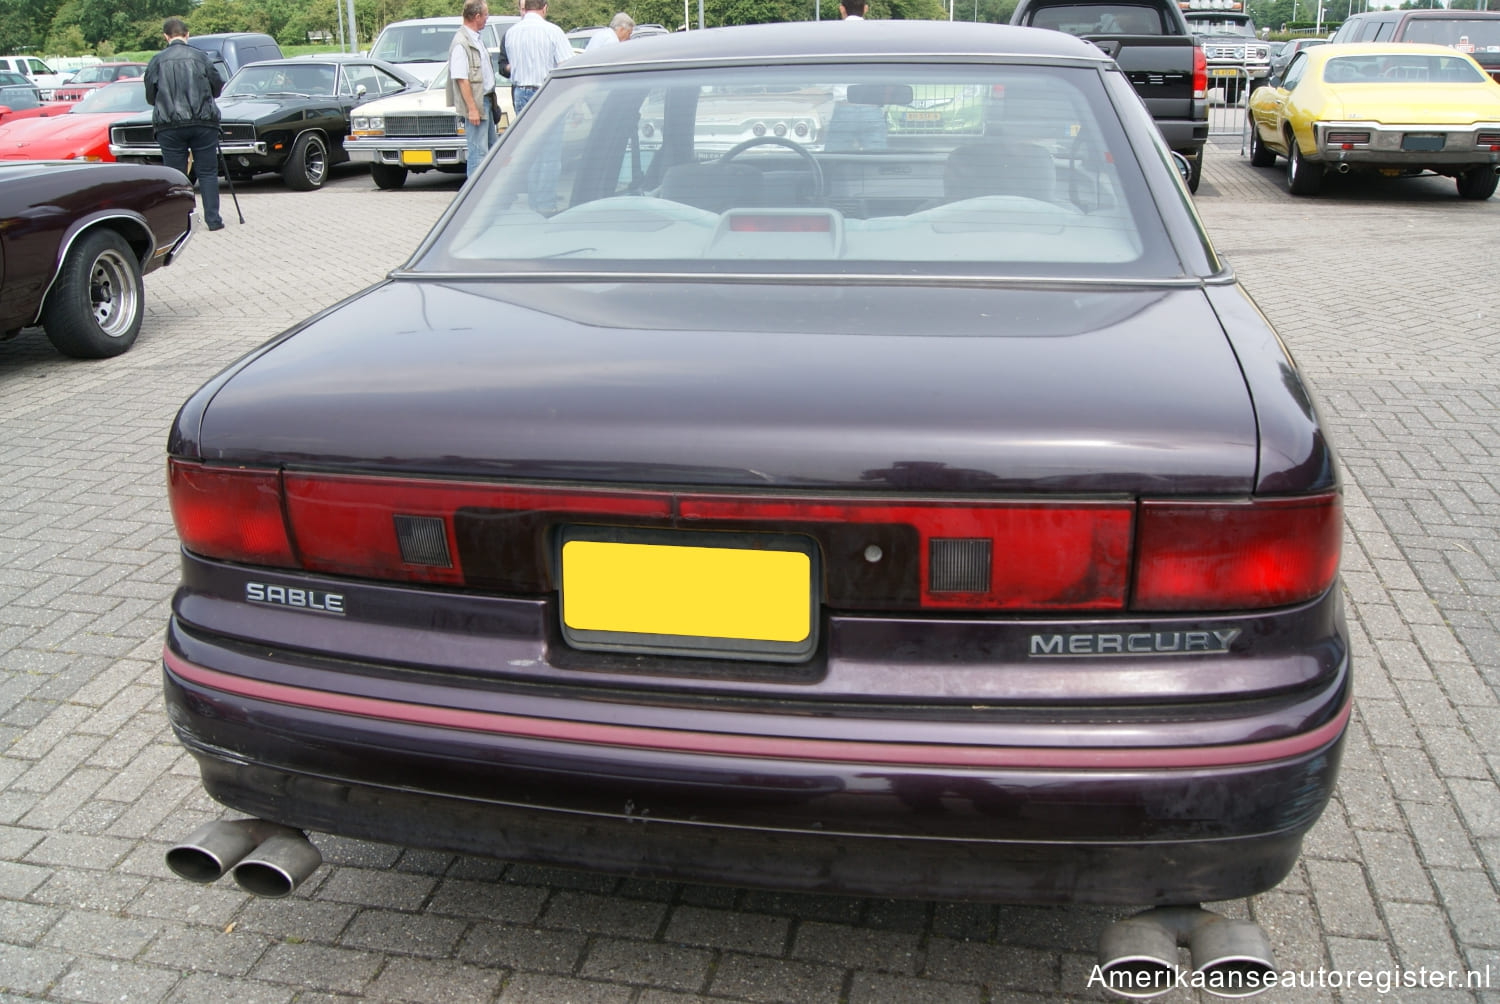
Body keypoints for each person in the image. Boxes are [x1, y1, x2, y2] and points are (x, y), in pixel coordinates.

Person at [144, 17, 225, 231]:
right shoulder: (201, 57)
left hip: (169, 124)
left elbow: (151, 97)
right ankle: (213, 220)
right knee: (207, 171)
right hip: (203, 121)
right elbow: (217, 87)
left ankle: (180, 222)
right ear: (187, 35)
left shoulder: (156, 61)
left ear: (165, 37)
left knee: (176, 175)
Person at [447, 0, 497, 177]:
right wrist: (472, 109)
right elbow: (462, 79)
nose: (486, 18)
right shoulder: (462, 43)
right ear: (477, 16)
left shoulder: (475, 39)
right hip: (477, 104)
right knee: (478, 153)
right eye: (485, 15)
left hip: (487, 100)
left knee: (492, 149)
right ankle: (474, 195)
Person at [503, 0, 573, 115]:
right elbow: (566, 66)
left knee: (525, 131)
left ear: (525, 8)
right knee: (550, 131)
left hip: (519, 91)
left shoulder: (511, 33)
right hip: (545, 90)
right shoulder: (553, 31)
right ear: (544, 8)